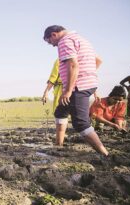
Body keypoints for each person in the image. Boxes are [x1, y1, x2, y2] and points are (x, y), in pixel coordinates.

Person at [43, 25, 108, 156]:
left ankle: (105, 154)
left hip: (78, 87)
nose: (52, 45)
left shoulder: (64, 41)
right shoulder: (81, 39)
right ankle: (59, 145)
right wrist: (88, 73)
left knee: (80, 123)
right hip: (87, 84)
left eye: (50, 42)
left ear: (54, 35)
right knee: (61, 111)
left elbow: (72, 64)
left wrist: (68, 90)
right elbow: (98, 60)